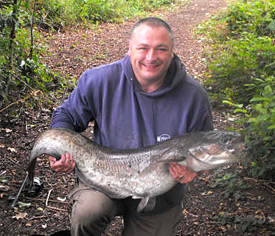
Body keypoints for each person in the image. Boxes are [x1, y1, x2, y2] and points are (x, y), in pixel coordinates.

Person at [49, 17, 214, 236]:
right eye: (143, 48)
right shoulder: (99, 80)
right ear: (129, 49)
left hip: (160, 192)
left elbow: (207, 146)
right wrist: (57, 150)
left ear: (172, 51)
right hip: (103, 178)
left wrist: (194, 168)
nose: (151, 57)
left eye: (161, 49)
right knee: (89, 212)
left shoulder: (194, 97)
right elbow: (66, 115)